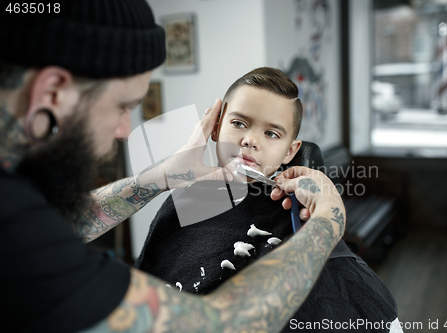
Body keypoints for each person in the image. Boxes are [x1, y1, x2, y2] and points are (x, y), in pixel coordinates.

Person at [0, 1, 346, 332]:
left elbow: (59, 224)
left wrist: (160, 177)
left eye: (271, 133)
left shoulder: (19, 210)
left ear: (291, 149)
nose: (124, 130)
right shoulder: (16, 229)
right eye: (123, 107)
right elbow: (221, 325)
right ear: (53, 92)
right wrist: (329, 220)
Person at [135, 67, 401, 332]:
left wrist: (327, 211)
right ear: (216, 127)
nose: (250, 140)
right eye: (239, 124)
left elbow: (384, 322)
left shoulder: (295, 216)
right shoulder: (185, 197)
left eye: (271, 133)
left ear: (290, 151)